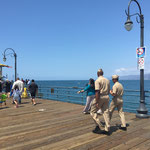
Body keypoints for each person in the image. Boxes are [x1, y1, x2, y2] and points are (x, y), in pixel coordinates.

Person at [90, 69, 110, 135]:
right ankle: (107, 128)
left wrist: (97, 101)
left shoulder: (97, 80)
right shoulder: (107, 80)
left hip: (100, 97)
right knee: (106, 112)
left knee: (92, 112)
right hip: (107, 96)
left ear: (97, 74)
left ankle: (100, 126)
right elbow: (109, 90)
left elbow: (97, 91)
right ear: (102, 73)